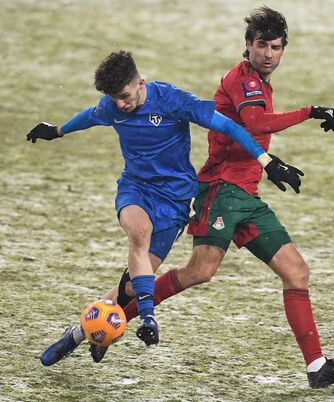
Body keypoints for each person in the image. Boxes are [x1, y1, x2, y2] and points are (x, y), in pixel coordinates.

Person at [107, 7, 334, 388]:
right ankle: (112, 321)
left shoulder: (259, 81)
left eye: (276, 47)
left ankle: (317, 368)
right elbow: (258, 123)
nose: (268, 54)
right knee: (200, 271)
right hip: (222, 190)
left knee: (296, 272)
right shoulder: (243, 80)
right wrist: (310, 112)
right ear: (248, 45)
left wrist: (270, 165)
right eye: (261, 45)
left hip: (245, 195)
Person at [30, 50, 303, 365]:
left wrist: (266, 161)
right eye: (114, 99)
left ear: (141, 83)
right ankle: (140, 317)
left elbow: (229, 127)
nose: (120, 104)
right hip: (136, 187)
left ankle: (78, 333)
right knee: (138, 234)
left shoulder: (173, 101)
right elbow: (91, 116)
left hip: (174, 200)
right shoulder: (112, 106)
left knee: (132, 285)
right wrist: (58, 130)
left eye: (125, 96)